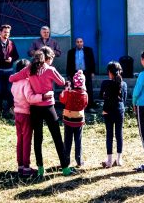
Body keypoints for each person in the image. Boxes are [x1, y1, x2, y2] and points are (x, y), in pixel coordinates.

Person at [9, 46, 72, 176]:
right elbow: (61, 82)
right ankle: (65, 168)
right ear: (46, 58)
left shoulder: (28, 69)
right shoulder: (50, 70)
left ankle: (40, 169)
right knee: (57, 137)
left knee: (38, 139)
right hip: (48, 107)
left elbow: (12, 78)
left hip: (34, 108)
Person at [11, 59, 54, 176]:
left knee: (20, 140)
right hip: (26, 114)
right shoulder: (26, 82)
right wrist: (42, 97)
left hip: (17, 113)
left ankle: (20, 166)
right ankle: (26, 167)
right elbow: (30, 98)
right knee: (26, 141)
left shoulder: (15, 82)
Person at [100, 61, 127, 168]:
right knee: (119, 134)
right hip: (120, 110)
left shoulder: (105, 83)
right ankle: (119, 159)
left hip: (108, 111)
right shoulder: (123, 84)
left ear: (109, 72)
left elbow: (100, 96)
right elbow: (124, 99)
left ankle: (109, 161)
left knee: (109, 135)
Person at [0, 24, 19, 117]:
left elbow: (16, 56)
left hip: (9, 70)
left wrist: (11, 59)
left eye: (8, 32)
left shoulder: (11, 43)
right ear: (0, 32)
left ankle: (11, 109)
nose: (6, 34)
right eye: (5, 32)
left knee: (10, 90)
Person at [59, 70, 88, 167]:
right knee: (78, 140)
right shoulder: (85, 94)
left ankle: (66, 160)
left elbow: (62, 100)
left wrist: (65, 90)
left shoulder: (69, 93)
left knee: (67, 141)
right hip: (79, 120)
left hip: (68, 120)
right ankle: (79, 160)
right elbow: (85, 105)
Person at [66, 38, 96, 113]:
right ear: (75, 43)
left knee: (89, 89)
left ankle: (90, 106)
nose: (79, 43)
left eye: (81, 42)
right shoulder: (71, 52)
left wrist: (92, 72)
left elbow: (92, 61)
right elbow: (68, 64)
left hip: (86, 72)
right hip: (75, 73)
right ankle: (76, 107)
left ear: (83, 42)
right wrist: (68, 74)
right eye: (77, 42)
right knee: (75, 90)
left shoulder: (88, 50)